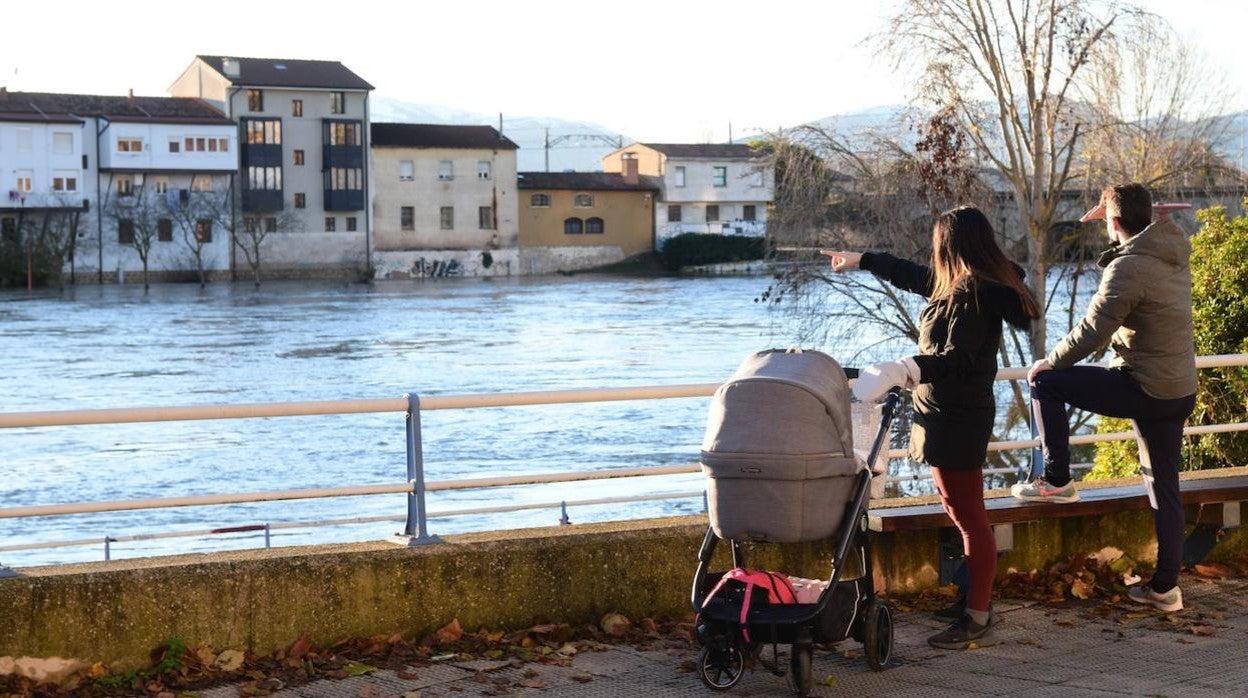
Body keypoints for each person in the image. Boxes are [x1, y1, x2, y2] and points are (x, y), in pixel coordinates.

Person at [823, 205, 1039, 650]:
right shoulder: (957, 287)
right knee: (959, 510)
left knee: (969, 517)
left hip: (957, 417)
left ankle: (977, 614)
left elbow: (957, 361)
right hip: (945, 414)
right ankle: (973, 601)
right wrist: (862, 259)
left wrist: (903, 368)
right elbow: (910, 275)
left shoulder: (973, 296)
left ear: (950, 245)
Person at [1012, 183, 1197, 613]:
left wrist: (1050, 361)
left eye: (1109, 222)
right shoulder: (1171, 252)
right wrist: (1116, 213)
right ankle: (1166, 588)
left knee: (1047, 383)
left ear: (1113, 223)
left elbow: (1093, 330)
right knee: (1164, 486)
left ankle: (1058, 480)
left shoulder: (1129, 267)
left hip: (1146, 387)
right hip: (1178, 388)